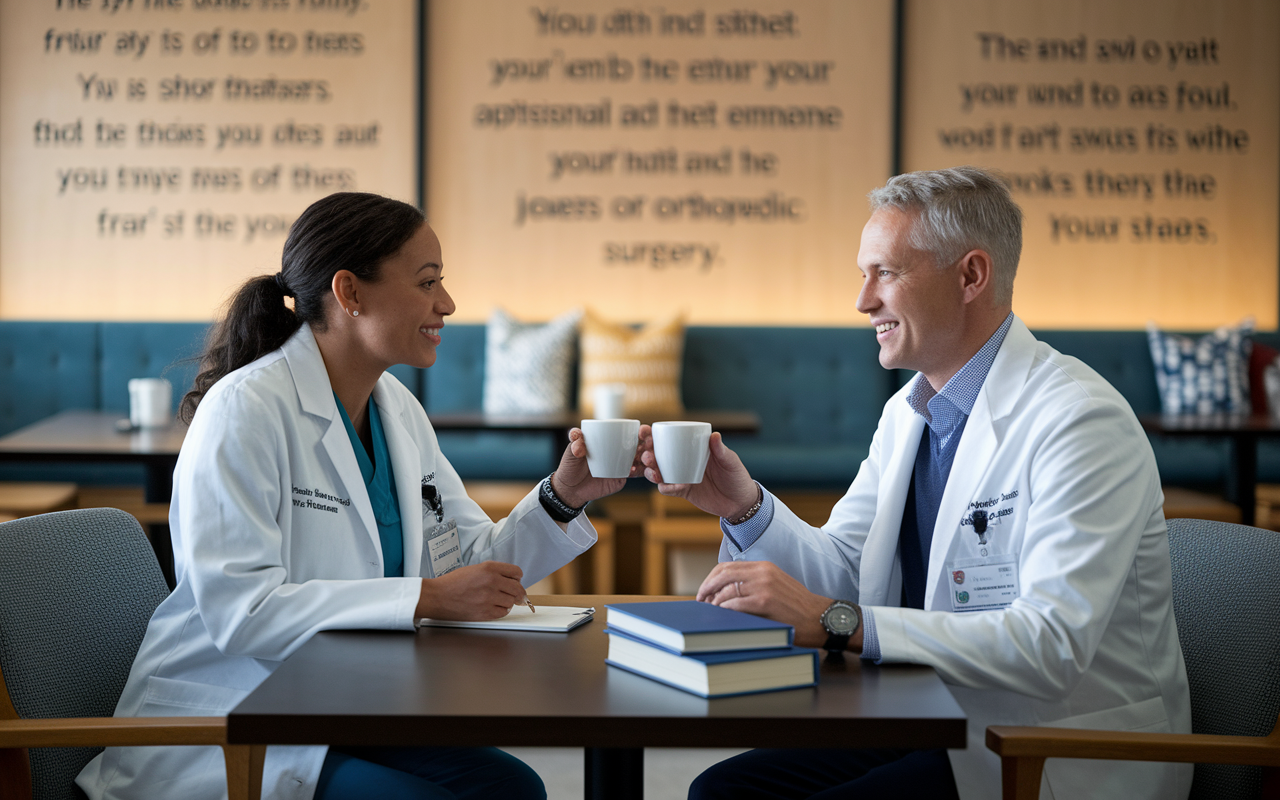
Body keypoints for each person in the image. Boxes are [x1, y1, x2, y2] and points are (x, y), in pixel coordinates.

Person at [639, 167, 1192, 800]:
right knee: (724, 790)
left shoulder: (1081, 421)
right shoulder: (910, 410)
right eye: (862, 275)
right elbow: (846, 569)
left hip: (1050, 749)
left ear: (970, 276)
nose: (863, 300)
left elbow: (1050, 645)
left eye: (887, 273)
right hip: (933, 719)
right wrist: (746, 509)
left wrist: (842, 623)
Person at [76, 192, 635, 800]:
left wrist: (564, 493)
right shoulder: (245, 411)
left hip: (342, 706)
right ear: (350, 293)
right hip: (233, 719)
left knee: (512, 788)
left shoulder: (397, 410)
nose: (446, 304)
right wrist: (423, 598)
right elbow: (243, 614)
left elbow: (474, 565)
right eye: (427, 283)